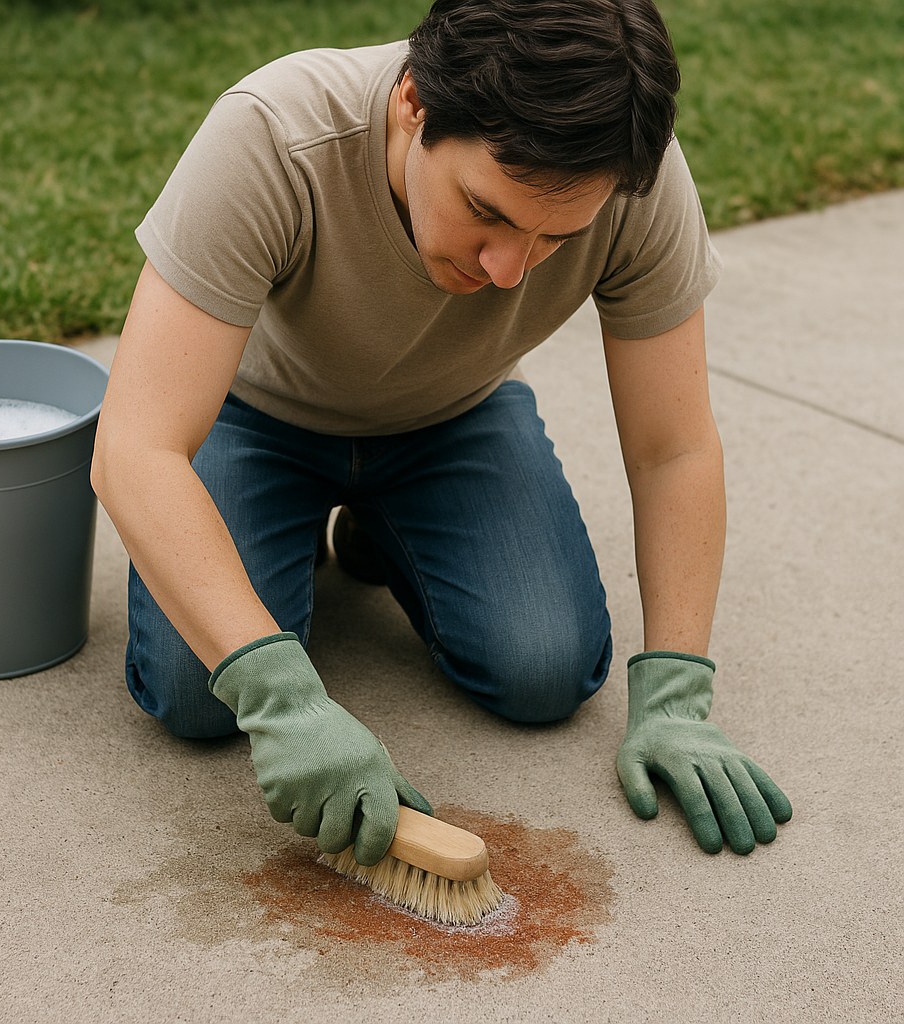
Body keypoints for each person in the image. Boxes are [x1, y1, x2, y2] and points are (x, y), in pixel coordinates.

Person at [91, 0, 792, 865]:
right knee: (200, 697)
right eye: (486, 211)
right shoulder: (272, 134)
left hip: (452, 419)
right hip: (256, 416)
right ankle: (297, 527)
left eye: (553, 239)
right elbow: (135, 446)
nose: (508, 270)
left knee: (546, 671)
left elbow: (673, 446)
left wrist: (678, 692)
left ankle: (378, 531)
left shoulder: (621, 176)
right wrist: (281, 697)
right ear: (414, 102)